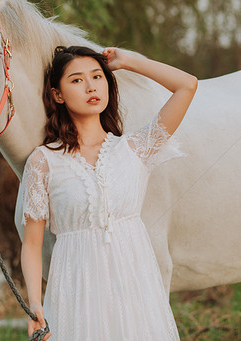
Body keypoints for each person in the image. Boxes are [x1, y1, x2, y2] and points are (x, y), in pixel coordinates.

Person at [20, 45, 198, 340]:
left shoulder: (135, 149)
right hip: (75, 292)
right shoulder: (44, 161)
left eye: (98, 76)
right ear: (57, 94)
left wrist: (129, 61)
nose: (91, 86)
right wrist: (35, 305)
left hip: (134, 292)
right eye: (76, 80)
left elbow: (187, 85)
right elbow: (32, 244)